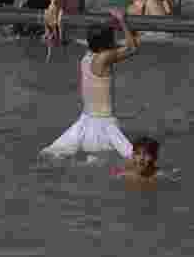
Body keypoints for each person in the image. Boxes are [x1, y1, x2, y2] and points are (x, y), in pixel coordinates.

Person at [40, 11, 142, 160]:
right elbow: (133, 48)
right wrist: (121, 21)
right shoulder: (104, 58)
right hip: (105, 125)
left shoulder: (87, 56)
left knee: (56, 153)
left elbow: (103, 44)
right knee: (131, 157)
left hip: (85, 121)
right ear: (107, 43)